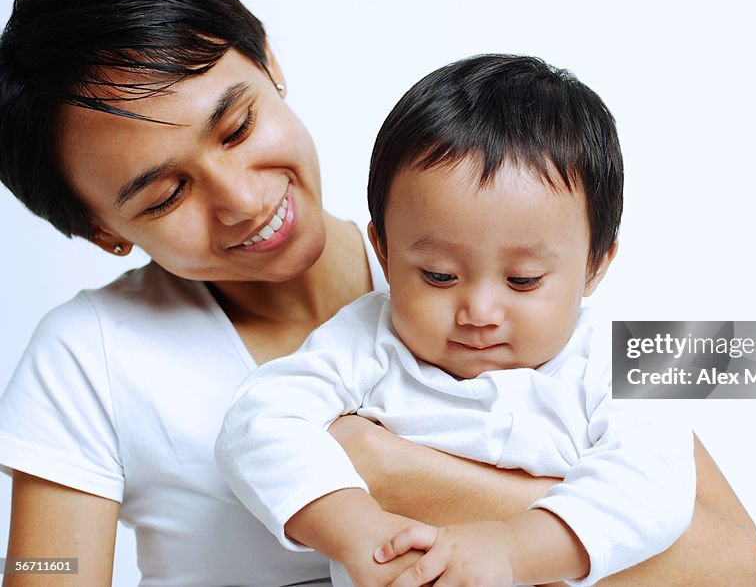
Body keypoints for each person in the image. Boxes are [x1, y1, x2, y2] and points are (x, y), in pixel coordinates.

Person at [0, 0, 756, 586]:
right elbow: (48, 571)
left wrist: (390, 469)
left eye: (236, 127)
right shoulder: (88, 357)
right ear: (102, 230)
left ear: (270, 60)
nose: (240, 198)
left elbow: (733, 565)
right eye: (166, 193)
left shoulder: (475, 230)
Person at [217, 55, 695, 587]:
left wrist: (514, 549)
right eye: (440, 276)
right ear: (385, 253)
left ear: (594, 265)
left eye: (523, 281)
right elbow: (258, 422)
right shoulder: (368, 340)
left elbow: (654, 485)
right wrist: (359, 532)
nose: (479, 314)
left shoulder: (614, 359)